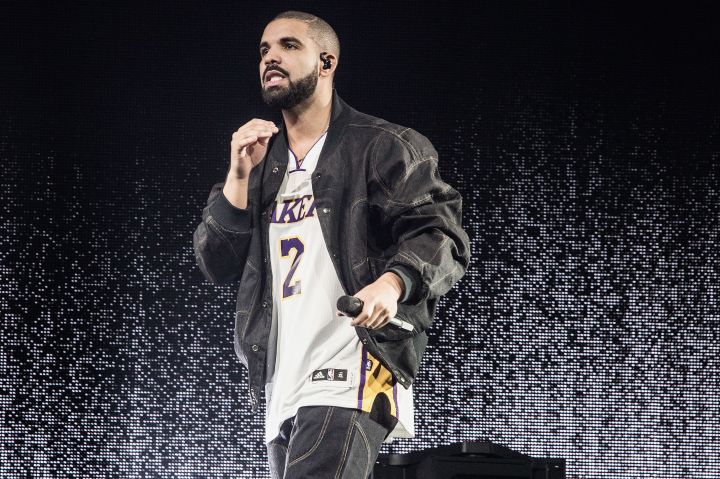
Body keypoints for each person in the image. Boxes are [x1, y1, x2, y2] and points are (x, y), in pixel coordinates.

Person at [193, 10, 470, 478]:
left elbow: (441, 235)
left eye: (288, 46)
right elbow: (215, 263)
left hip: (355, 366)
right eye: (264, 50)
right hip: (283, 382)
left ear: (326, 62)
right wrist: (237, 176)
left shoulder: (384, 145)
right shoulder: (261, 165)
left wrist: (391, 284)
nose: (271, 58)